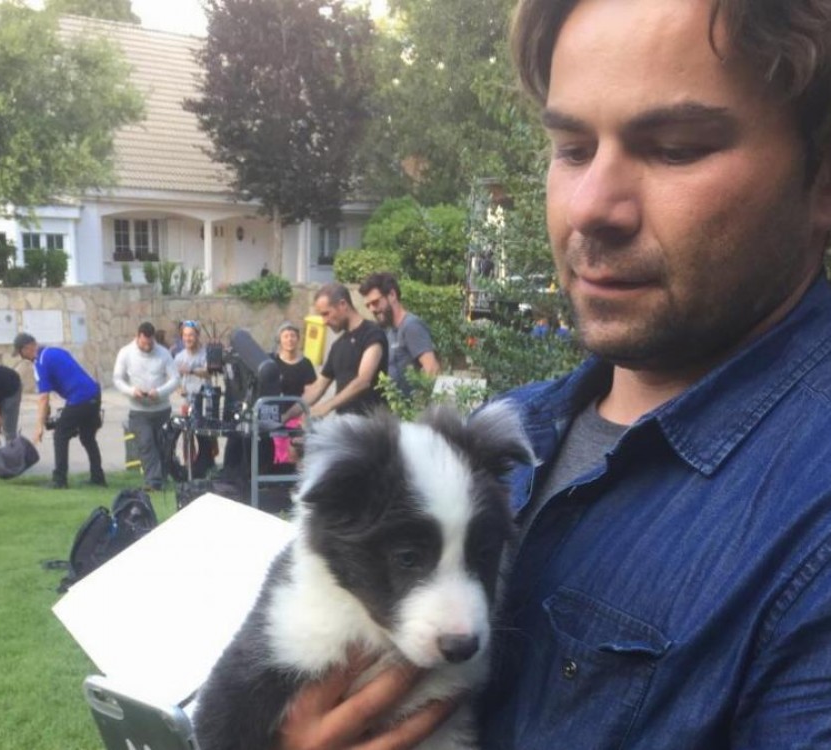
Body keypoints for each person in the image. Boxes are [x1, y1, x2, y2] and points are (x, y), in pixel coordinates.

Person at [275, 0, 831, 747]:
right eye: (572, 148)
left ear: (822, 180)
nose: (592, 206)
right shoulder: (511, 433)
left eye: (675, 148)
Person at [13, 333, 105, 489]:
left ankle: (59, 480)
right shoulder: (55, 351)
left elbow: (43, 398)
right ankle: (98, 478)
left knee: (60, 435)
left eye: (20, 353)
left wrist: (39, 427)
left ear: (27, 348)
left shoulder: (41, 362)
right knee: (87, 437)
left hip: (79, 397)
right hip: (94, 393)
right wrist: (46, 414)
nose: (22, 358)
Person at [298, 283, 388, 418]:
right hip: (343, 424)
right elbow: (318, 387)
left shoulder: (372, 334)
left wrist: (326, 406)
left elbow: (363, 380)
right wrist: (286, 415)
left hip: (371, 424)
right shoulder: (338, 345)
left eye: (326, 314)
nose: (324, 321)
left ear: (343, 304)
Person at [113, 321, 180, 491]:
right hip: (138, 410)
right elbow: (118, 379)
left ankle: (165, 476)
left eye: (150, 343)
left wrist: (160, 392)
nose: (147, 347)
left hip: (161, 409)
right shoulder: (126, 353)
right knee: (146, 443)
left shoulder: (163, 353)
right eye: (144, 343)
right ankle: (153, 482)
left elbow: (175, 379)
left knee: (162, 446)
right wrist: (131, 391)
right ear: (138, 337)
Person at [359, 272, 441, 395]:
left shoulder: (411, 326)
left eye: (375, 302)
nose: (372, 309)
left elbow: (432, 369)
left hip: (410, 406)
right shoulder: (389, 330)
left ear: (392, 295)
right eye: (368, 306)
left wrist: (419, 403)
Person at [174, 320, 216, 477]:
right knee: (188, 435)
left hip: (205, 401)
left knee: (206, 435)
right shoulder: (179, 356)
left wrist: (191, 370)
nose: (188, 338)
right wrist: (179, 388)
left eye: (191, 335)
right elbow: (174, 378)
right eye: (185, 335)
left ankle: (208, 464)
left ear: (198, 336)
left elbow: (209, 372)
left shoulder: (206, 354)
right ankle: (190, 466)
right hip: (188, 401)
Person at [271, 321, 316, 399]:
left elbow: (310, 392)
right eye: (286, 336)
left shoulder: (306, 364)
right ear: (280, 340)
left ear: (298, 339)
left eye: (292, 336)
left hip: (299, 404)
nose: (290, 339)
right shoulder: (272, 362)